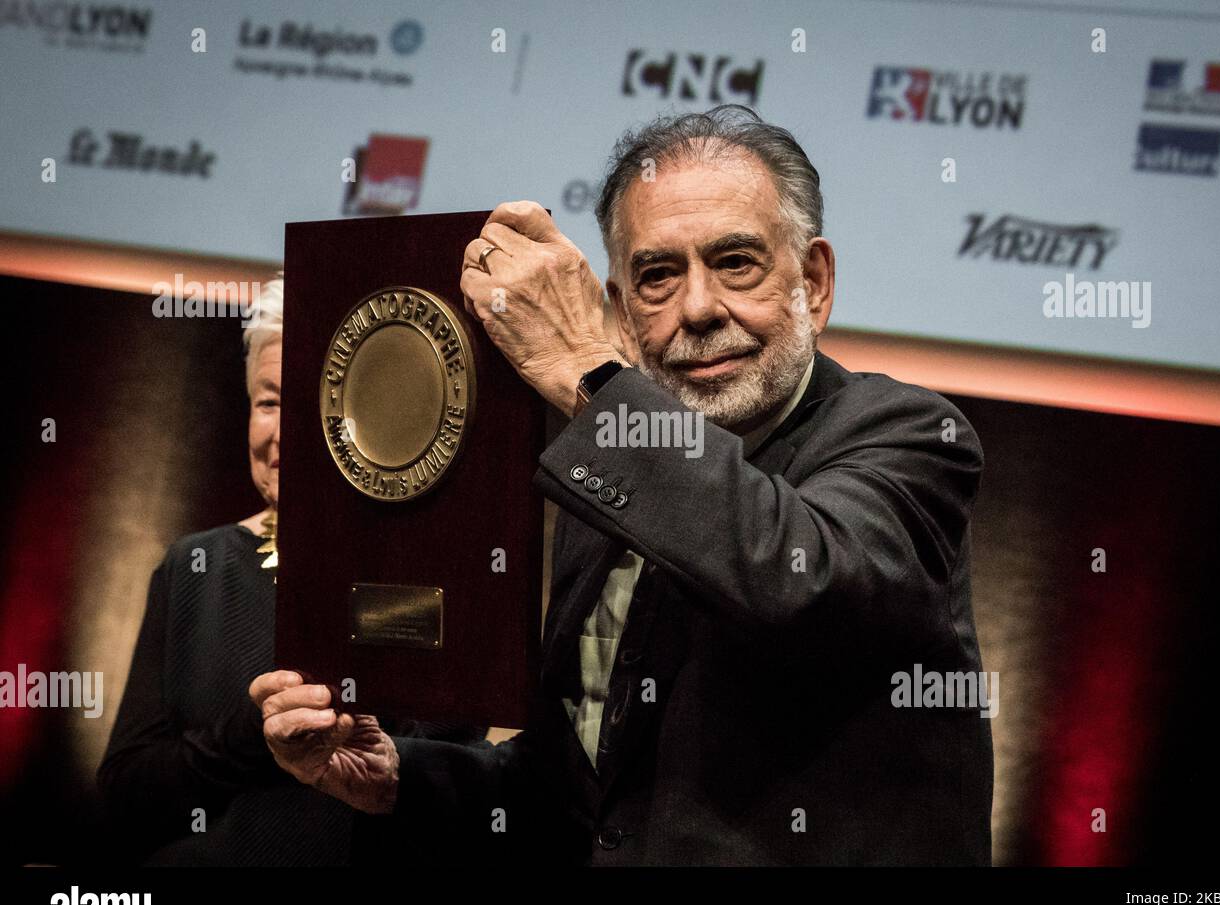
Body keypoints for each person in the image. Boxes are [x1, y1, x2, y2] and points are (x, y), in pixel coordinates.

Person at [252, 105, 994, 865]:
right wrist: (400, 778)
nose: (698, 309)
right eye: (657, 276)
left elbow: (794, 576)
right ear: (621, 310)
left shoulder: (910, 436)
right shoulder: (600, 479)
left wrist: (587, 369)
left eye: (736, 262)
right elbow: (576, 794)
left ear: (814, 282)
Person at [97, 276, 482, 864]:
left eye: (310, 403)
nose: (283, 433)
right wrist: (260, 733)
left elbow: (449, 795)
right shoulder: (194, 568)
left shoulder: (433, 580)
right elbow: (127, 797)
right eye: (270, 402)